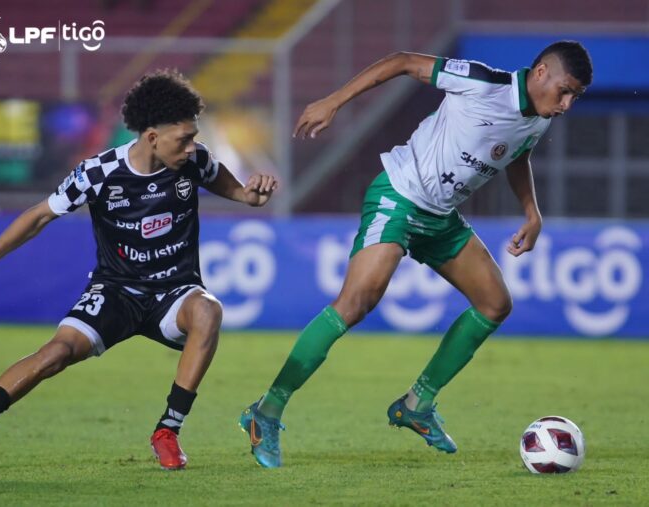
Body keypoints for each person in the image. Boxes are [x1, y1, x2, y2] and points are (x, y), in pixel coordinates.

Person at [240, 41, 592, 468]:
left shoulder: (539, 118)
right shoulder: (482, 83)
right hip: (401, 194)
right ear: (540, 72)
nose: (567, 104)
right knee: (356, 302)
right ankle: (266, 412)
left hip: (440, 217)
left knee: (495, 303)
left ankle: (416, 404)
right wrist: (334, 101)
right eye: (565, 91)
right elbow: (403, 62)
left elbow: (518, 154)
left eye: (575, 97)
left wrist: (532, 212)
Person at [0, 69, 277, 470]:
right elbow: (39, 215)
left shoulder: (195, 160)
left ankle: (167, 432)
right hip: (116, 290)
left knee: (208, 310)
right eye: (184, 138)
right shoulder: (98, 172)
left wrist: (249, 196)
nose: (192, 146)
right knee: (56, 353)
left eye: (194, 137)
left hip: (175, 292)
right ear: (152, 137)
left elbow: (228, 184)